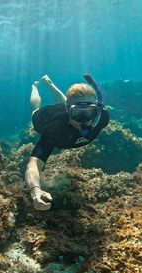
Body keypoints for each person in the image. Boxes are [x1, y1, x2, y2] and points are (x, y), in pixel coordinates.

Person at [25, 74, 110, 211]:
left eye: (90, 113)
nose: (84, 120)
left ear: (98, 110)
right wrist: (35, 191)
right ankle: (35, 86)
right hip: (50, 115)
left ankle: (49, 83)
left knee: (65, 102)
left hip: (65, 107)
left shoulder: (103, 118)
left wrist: (78, 112)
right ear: (68, 111)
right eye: (77, 113)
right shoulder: (55, 129)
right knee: (35, 111)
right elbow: (33, 164)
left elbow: (78, 109)